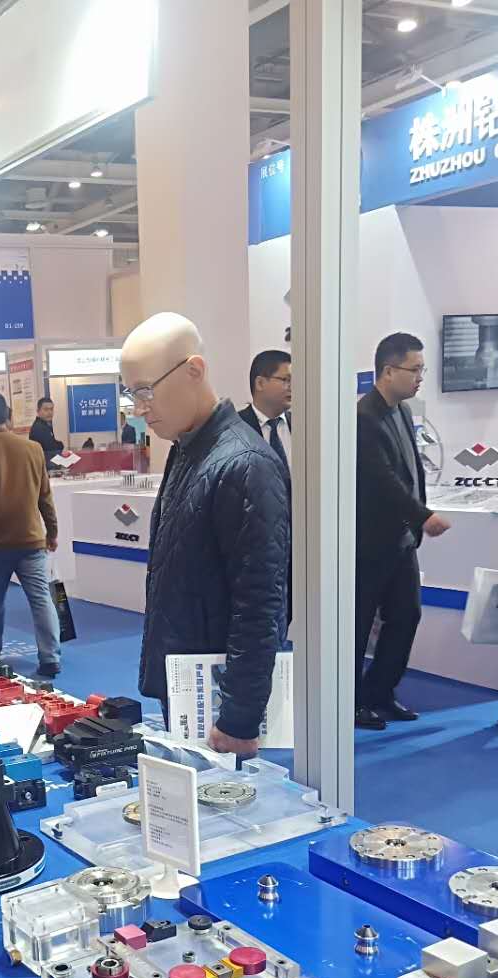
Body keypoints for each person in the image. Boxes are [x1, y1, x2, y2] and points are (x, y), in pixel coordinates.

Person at [121, 312, 289, 758]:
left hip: (215, 698)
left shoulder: (245, 464)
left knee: (225, 797)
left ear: (193, 370)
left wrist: (239, 715)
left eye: (145, 391)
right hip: (185, 680)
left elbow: (261, 603)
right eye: (132, 394)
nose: (139, 409)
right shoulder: (188, 449)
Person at [355, 333, 450, 730]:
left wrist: (416, 519)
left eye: (422, 370)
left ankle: (380, 692)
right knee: (358, 626)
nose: (420, 378)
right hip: (371, 543)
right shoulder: (364, 417)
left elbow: (410, 473)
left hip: (402, 540)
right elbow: (382, 480)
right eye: (415, 369)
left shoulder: (402, 410)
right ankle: (351, 702)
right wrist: (423, 515)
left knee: (406, 615)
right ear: (388, 370)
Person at [0, 390, 61, 678]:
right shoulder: (33, 449)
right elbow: (45, 497)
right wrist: (51, 531)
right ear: (8, 415)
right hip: (31, 539)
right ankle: (50, 657)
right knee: (40, 598)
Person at [239, 349, 293, 630]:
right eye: (285, 379)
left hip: (297, 546)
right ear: (260, 383)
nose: (292, 387)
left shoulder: (303, 425)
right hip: (254, 547)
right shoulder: (235, 428)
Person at [28, 396, 64, 466]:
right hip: (44, 466)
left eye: (51, 409)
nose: (50, 412)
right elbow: (50, 449)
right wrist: (60, 445)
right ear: (38, 411)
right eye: (46, 409)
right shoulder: (39, 428)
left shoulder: (45, 425)